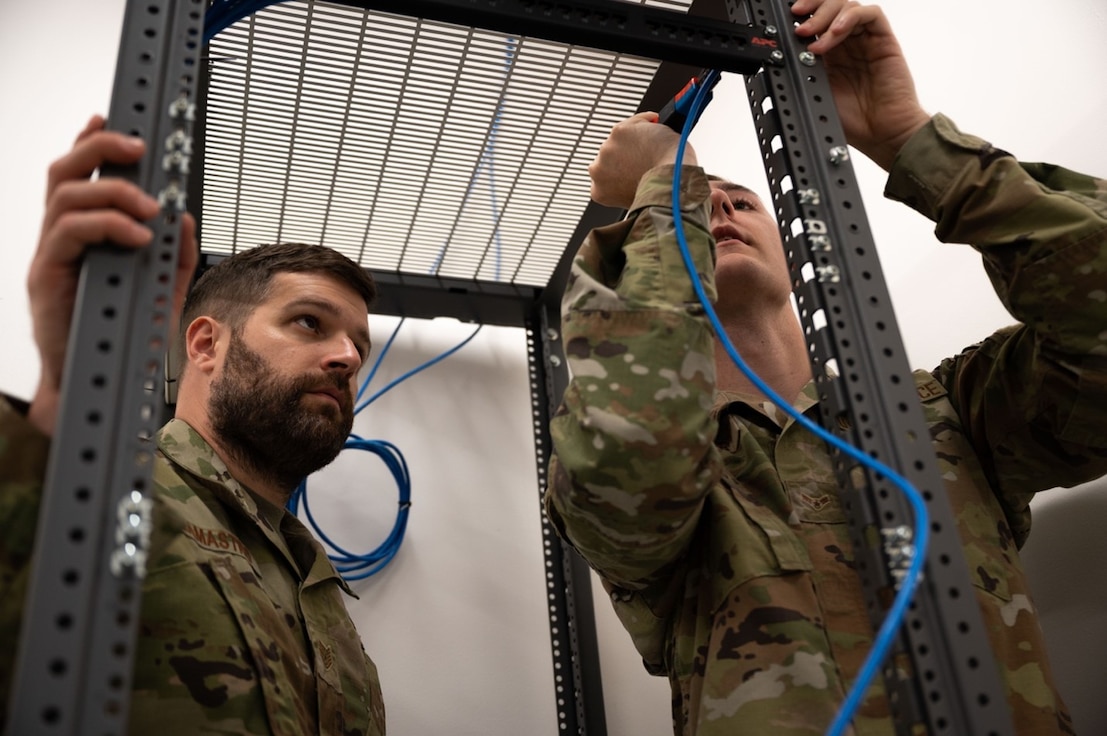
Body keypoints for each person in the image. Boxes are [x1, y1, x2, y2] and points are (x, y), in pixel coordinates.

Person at [544, 1, 1107, 734]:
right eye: (696, 204)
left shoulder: (948, 414)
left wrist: (904, 137)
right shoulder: (635, 464)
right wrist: (659, 196)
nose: (715, 207)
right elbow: (633, 441)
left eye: (740, 201)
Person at [0, 115, 387, 733]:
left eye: (358, 347)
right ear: (205, 344)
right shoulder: (117, 494)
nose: (346, 357)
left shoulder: (319, 589)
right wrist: (62, 395)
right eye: (310, 323)